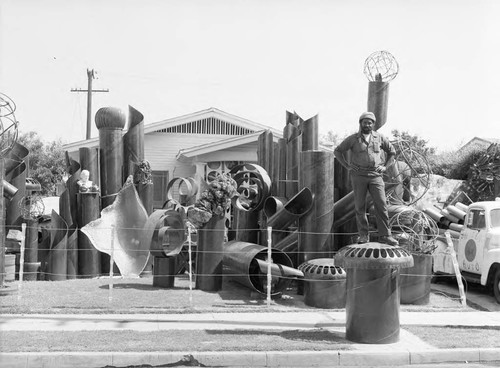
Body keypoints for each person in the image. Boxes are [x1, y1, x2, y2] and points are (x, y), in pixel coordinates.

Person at [333, 111, 398, 245]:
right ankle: (363, 235)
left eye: (370, 123)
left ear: (373, 124)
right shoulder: (353, 139)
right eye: (365, 122)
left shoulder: (379, 137)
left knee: (382, 205)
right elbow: (337, 151)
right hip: (359, 176)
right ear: (360, 123)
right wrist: (347, 166)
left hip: (376, 176)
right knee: (360, 207)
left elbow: (392, 152)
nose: (367, 125)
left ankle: (385, 235)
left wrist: (385, 167)